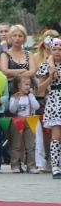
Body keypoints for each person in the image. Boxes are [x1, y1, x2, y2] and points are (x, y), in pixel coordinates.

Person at [37, 38, 61, 179]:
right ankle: (55, 167)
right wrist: (50, 77)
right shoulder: (47, 66)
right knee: (56, 136)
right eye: (55, 49)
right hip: (55, 100)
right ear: (50, 50)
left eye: (59, 49)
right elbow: (40, 88)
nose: (57, 52)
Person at [9, 75, 40, 173]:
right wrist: (17, 100)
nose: (28, 86)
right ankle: (15, 166)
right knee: (16, 145)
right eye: (26, 84)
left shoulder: (30, 97)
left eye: (29, 84)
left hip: (30, 121)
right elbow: (12, 110)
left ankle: (31, 166)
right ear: (19, 85)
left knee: (30, 145)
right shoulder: (14, 97)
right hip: (17, 121)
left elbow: (36, 106)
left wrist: (31, 95)